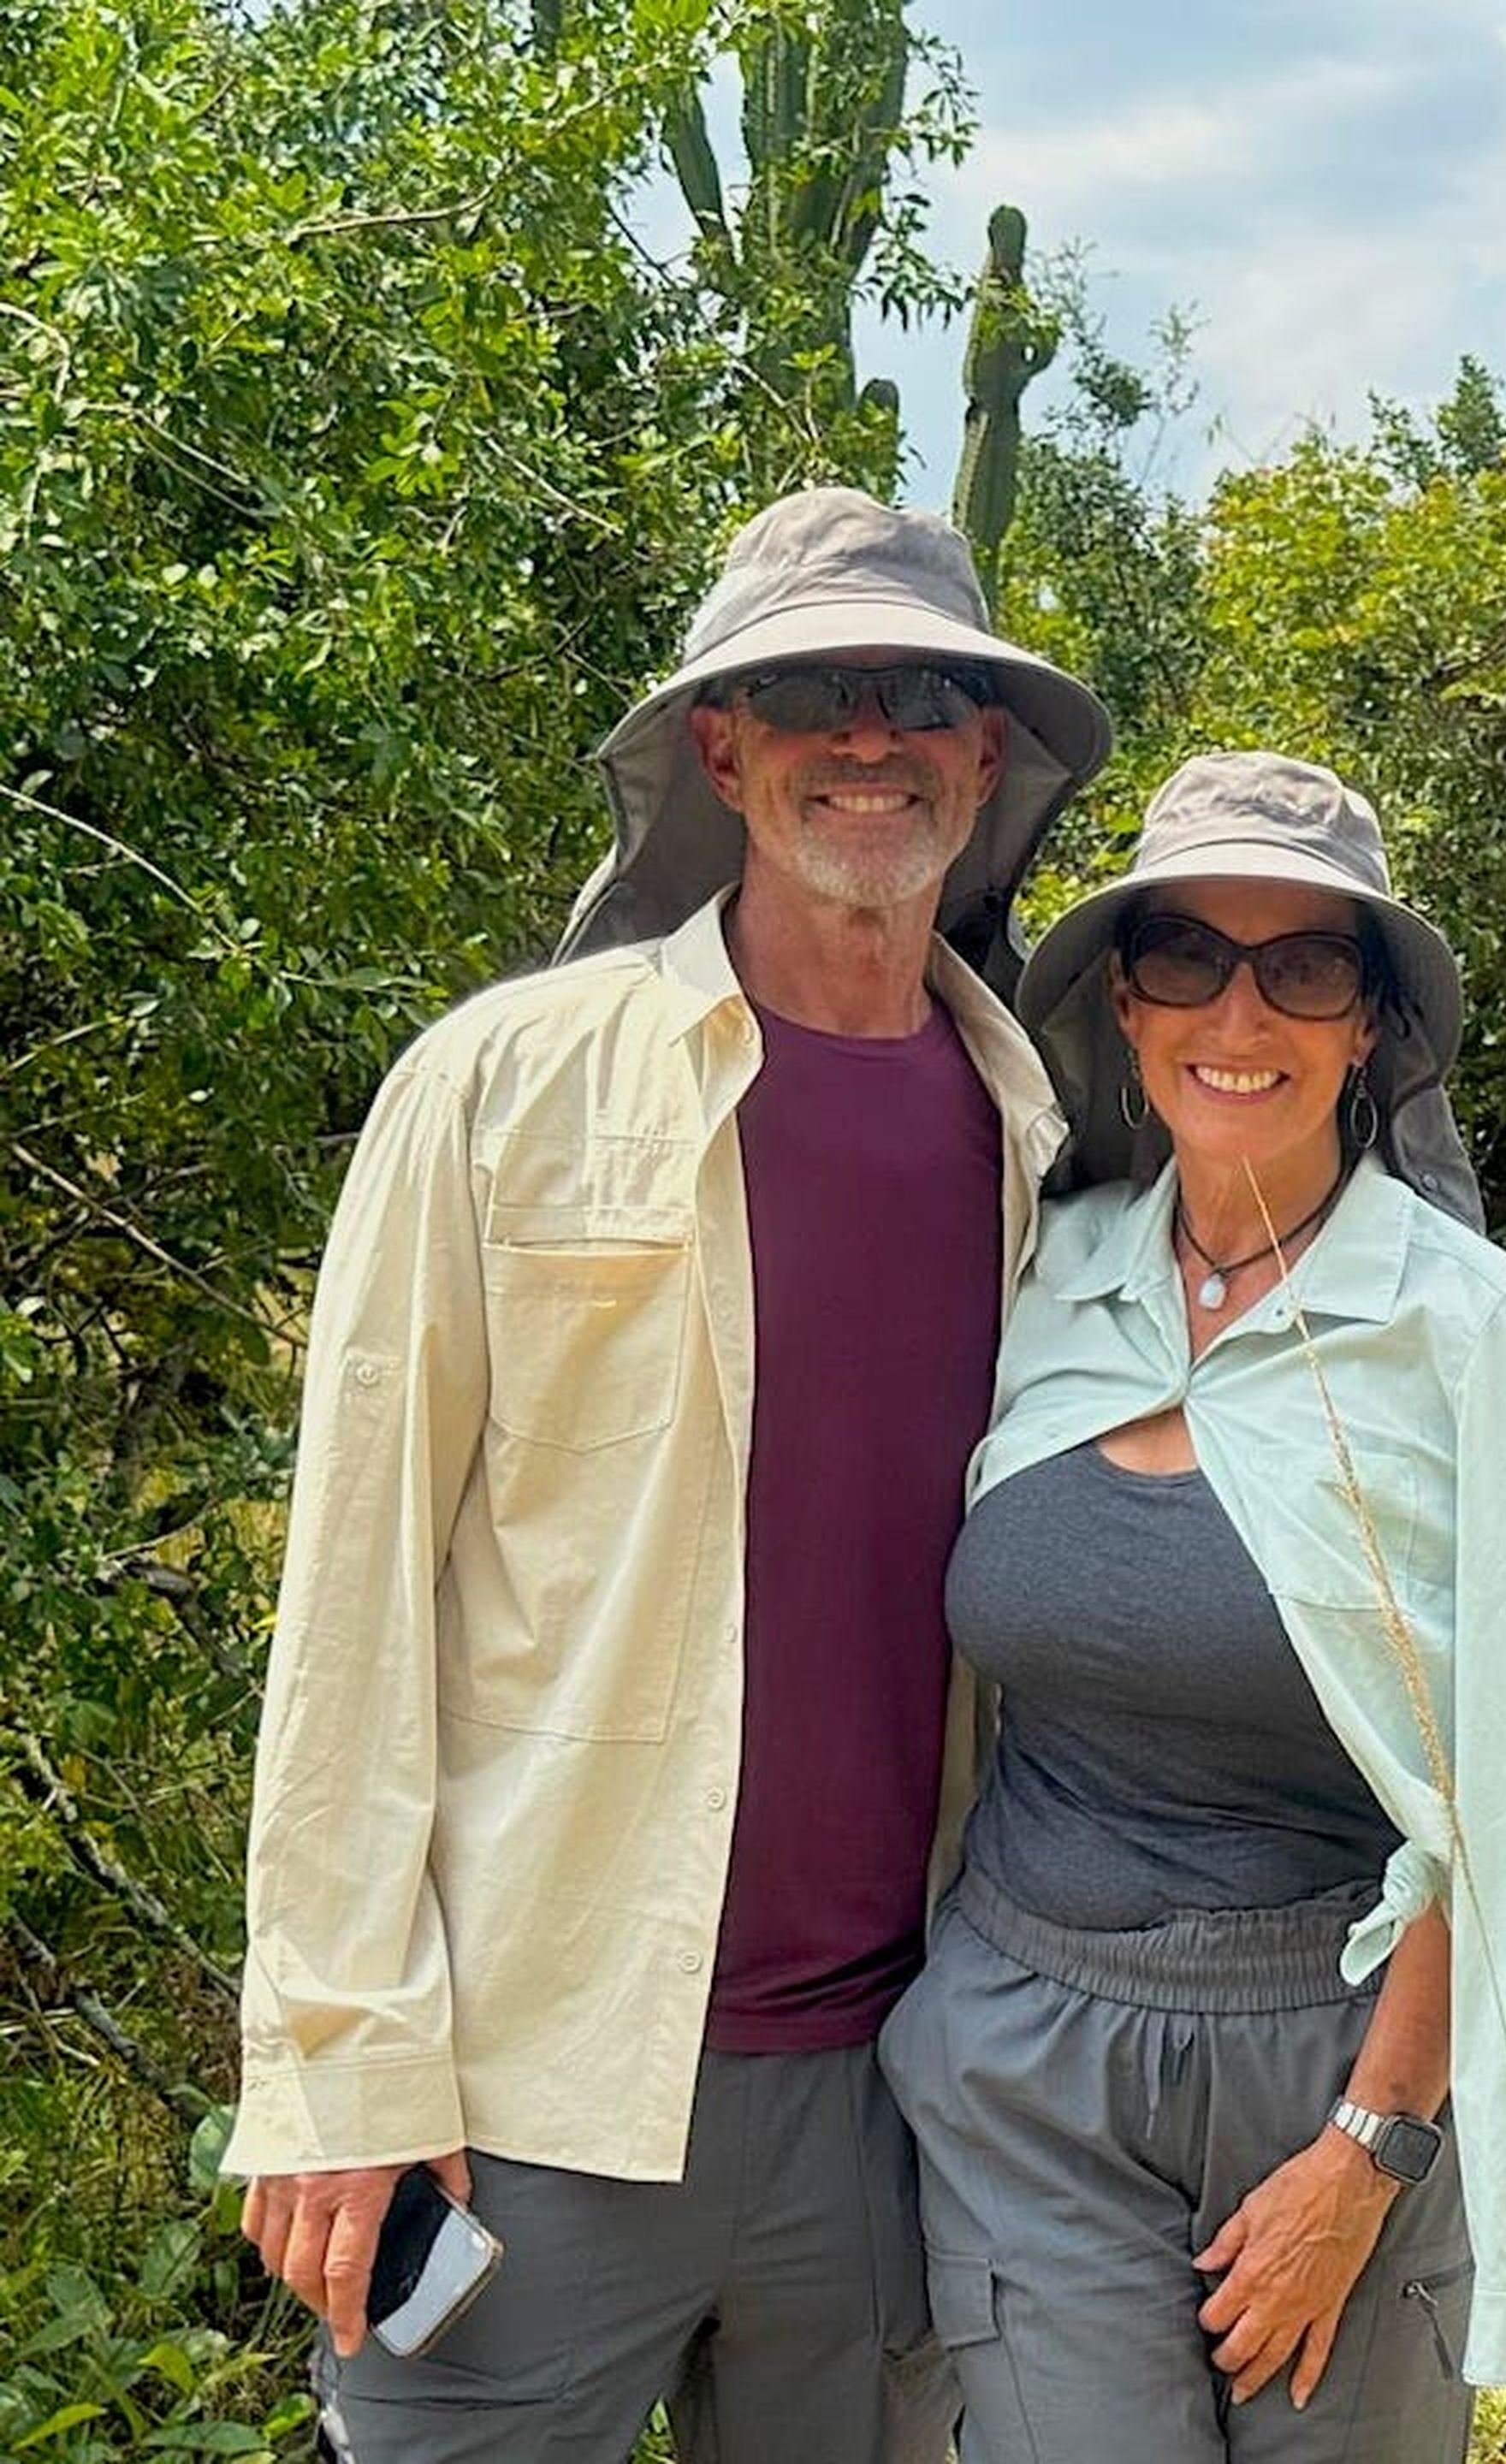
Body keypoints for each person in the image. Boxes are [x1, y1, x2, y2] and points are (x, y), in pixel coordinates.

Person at [224, 486, 1113, 2463]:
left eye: (917, 693)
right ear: (721, 744)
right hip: (532, 2088)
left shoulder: (1051, 1143)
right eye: (806, 688)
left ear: (983, 757)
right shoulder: (502, 1085)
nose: (864, 733)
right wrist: (336, 2060)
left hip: (900, 2087)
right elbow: (353, 1593)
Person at [876, 750, 1506, 2461]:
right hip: (1021, 2064)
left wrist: (1374, 2148)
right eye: (1190, 959)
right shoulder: (1043, 1277)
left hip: (1333, 2062)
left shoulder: (1469, 1333)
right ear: (1125, 1004)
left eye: (1306, 968)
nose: (1244, 1009)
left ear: (1367, 1025)